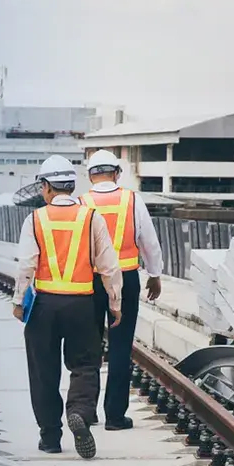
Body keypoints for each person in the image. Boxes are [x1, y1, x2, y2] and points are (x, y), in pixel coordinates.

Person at [12, 155, 124, 459]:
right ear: (72, 186)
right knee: (86, 365)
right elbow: (110, 267)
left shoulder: (35, 219)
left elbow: (26, 265)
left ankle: (50, 436)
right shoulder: (92, 218)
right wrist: (115, 302)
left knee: (43, 371)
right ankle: (80, 411)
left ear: (46, 187)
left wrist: (19, 301)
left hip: (45, 305)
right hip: (82, 304)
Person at [79, 149, 164, 432]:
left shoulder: (82, 203)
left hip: (90, 282)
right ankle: (115, 416)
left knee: (89, 346)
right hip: (126, 279)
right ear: (117, 173)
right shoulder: (132, 200)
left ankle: (87, 411)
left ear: (90, 175)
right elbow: (149, 242)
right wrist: (155, 275)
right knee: (120, 346)